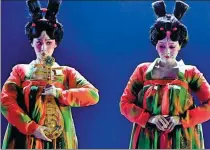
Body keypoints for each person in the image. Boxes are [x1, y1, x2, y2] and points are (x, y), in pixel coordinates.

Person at [1, 0, 99, 149]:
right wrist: (32, 128)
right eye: (38, 42)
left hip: (60, 139)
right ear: (32, 43)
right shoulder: (21, 71)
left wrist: (60, 94)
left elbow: (93, 95)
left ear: (55, 43)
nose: (43, 48)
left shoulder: (66, 72)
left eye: (48, 42)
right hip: (26, 140)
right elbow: (6, 102)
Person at [120, 0, 210, 149]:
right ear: (155, 44)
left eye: (172, 46)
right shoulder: (143, 71)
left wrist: (181, 120)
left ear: (180, 45)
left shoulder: (190, 73)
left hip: (183, 140)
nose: (167, 52)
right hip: (147, 140)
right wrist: (150, 118)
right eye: (162, 46)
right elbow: (125, 104)